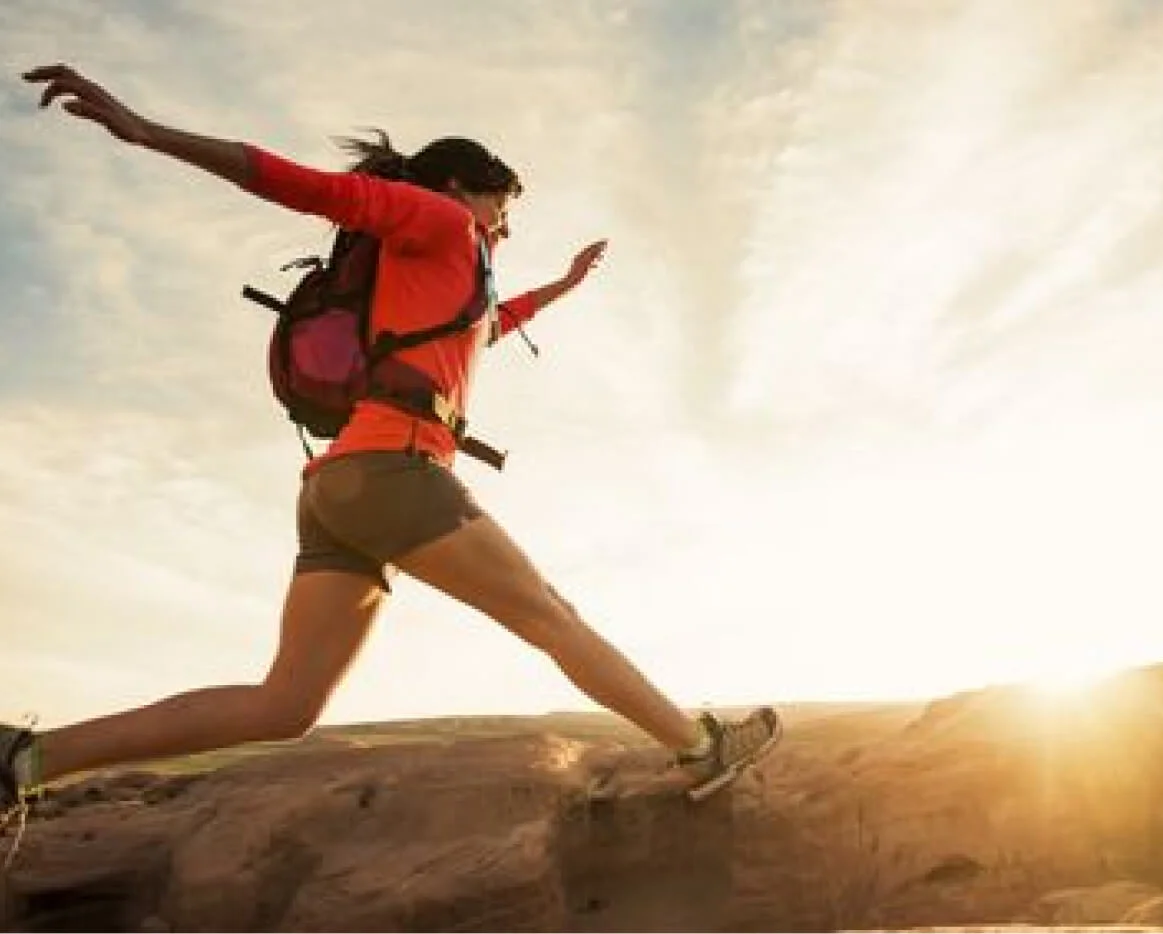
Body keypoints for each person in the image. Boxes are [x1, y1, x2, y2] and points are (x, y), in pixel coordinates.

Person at [1, 64, 780, 819]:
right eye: (502, 204)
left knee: (286, 705)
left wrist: (563, 287)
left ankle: (26, 761)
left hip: (338, 486)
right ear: (459, 188)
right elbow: (299, 183)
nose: (506, 225)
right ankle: (698, 747)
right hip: (392, 472)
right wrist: (145, 131)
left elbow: (484, 329)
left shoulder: (439, 270)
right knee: (549, 615)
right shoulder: (438, 221)